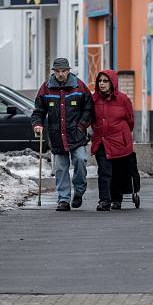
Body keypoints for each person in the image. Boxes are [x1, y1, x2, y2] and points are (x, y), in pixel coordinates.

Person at [31, 58, 94, 212]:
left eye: (63, 71)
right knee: (60, 168)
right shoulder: (46, 88)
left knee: (80, 160)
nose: (60, 74)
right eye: (57, 71)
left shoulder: (79, 87)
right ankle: (63, 199)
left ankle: (79, 190)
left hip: (76, 135)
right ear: (53, 71)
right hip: (57, 136)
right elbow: (38, 112)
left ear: (68, 71)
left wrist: (81, 126)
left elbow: (89, 109)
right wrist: (37, 124)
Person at [90, 69, 135, 212]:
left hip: (119, 141)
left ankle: (116, 199)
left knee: (118, 172)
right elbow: (90, 119)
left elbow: (130, 121)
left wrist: (122, 134)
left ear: (112, 83)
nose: (102, 84)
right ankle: (104, 201)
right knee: (104, 171)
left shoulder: (123, 99)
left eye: (105, 81)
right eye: (100, 81)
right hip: (102, 140)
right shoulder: (94, 99)